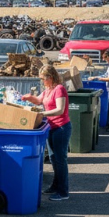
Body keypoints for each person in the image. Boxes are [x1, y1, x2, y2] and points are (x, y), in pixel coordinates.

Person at [22, 65, 72, 201]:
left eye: (43, 79)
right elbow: (39, 100)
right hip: (51, 127)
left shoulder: (59, 89)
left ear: (50, 77)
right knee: (53, 158)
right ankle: (55, 186)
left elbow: (60, 109)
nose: (42, 81)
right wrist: (29, 98)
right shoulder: (48, 89)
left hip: (61, 127)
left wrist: (41, 113)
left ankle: (63, 191)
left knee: (60, 159)